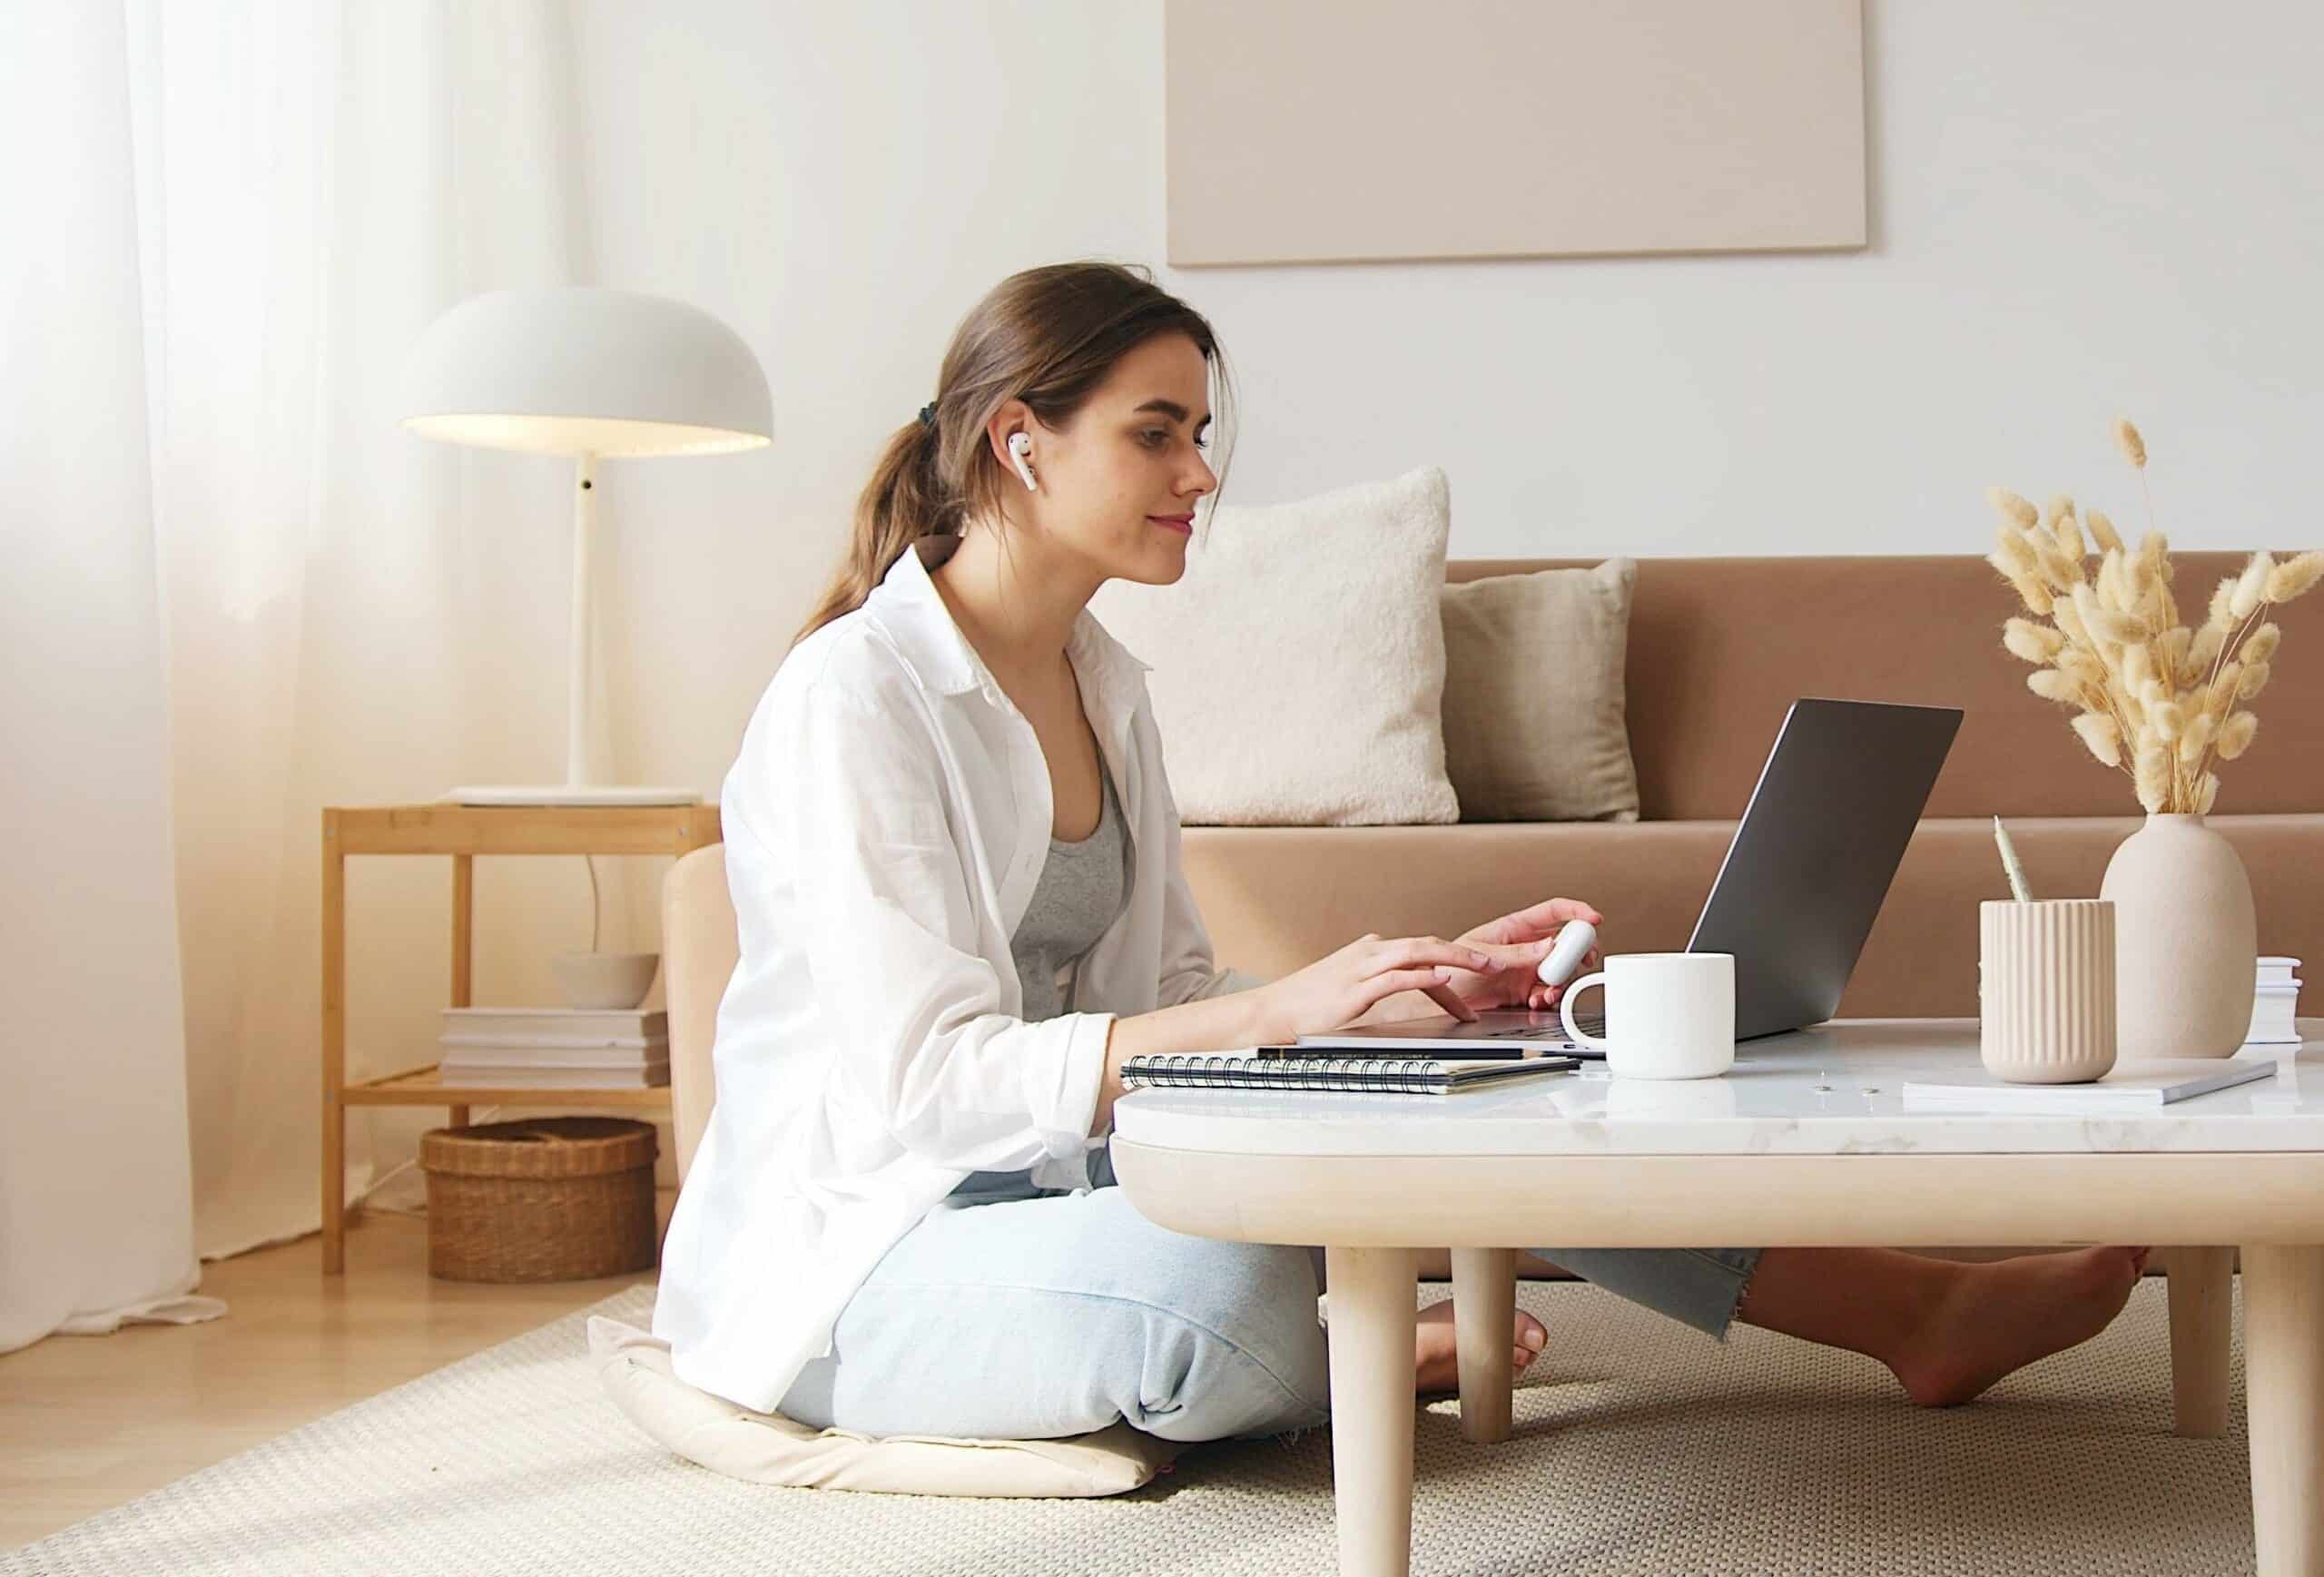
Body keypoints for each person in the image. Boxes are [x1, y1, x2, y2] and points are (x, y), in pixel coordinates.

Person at [652, 261, 2149, 1445]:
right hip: (870, 1256)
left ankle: (1914, 1310)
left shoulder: (1107, 681)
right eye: (1155, 431)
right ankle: (1348, 1352)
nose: (1200, 471)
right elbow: (927, 1083)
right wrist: (1276, 1014)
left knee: (1495, 1101)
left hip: (1067, 1181)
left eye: (1202, 434)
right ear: (1017, 439)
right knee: (1222, 1279)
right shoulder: (860, 694)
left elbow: (1172, 988)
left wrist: (1392, 1004)